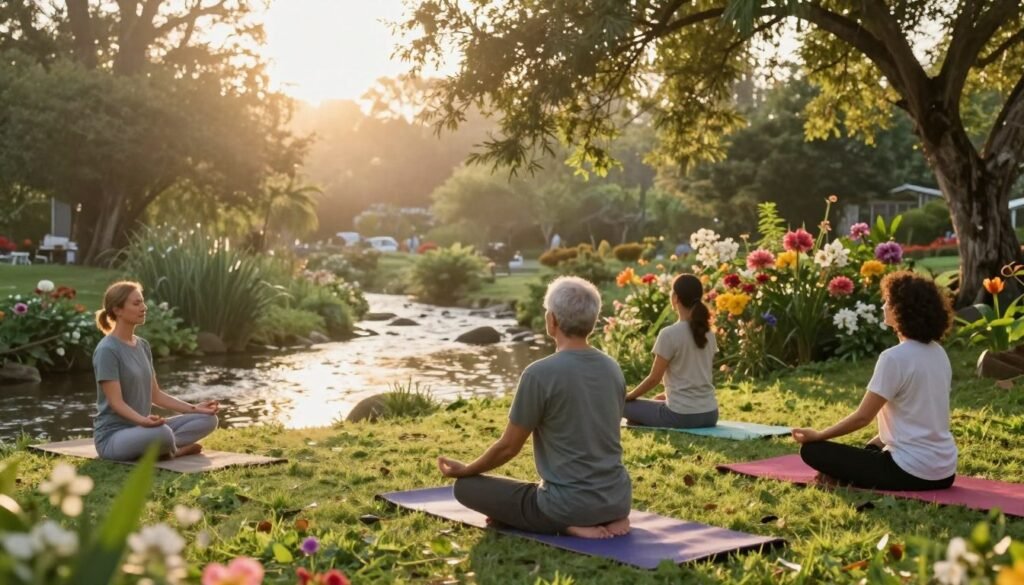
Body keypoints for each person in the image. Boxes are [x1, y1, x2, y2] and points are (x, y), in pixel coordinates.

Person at [437, 276, 632, 539]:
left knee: (466, 488)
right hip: (617, 500)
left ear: (552, 320)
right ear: (593, 322)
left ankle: (566, 525)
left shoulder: (539, 374)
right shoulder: (613, 368)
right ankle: (606, 517)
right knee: (528, 491)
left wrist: (467, 470)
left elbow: (508, 448)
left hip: (565, 507)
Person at [792, 271, 957, 490]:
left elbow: (862, 418)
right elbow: (921, 415)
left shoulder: (894, 358)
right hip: (945, 472)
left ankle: (839, 476)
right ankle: (842, 475)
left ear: (902, 311)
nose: (883, 306)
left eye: (888, 301)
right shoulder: (938, 353)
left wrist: (819, 435)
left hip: (910, 472)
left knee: (812, 450)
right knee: (872, 447)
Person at [92, 281, 220, 461]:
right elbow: (116, 403)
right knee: (162, 433)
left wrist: (194, 408)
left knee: (208, 419)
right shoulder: (107, 350)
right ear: (117, 310)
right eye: (136, 304)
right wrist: (142, 421)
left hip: (144, 430)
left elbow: (156, 395)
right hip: (114, 436)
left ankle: (165, 448)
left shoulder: (142, 345)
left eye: (142, 302)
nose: (143, 308)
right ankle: (173, 450)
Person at [624, 274, 718, 428]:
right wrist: (669, 395)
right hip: (710, 414)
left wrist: (629, 397)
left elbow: (654, 379)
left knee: (622, 406)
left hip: (681, 416)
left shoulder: (669, 334)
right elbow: (698, 375)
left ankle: (639, 418)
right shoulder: (709, 332)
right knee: (657, 400)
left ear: (676, 298)